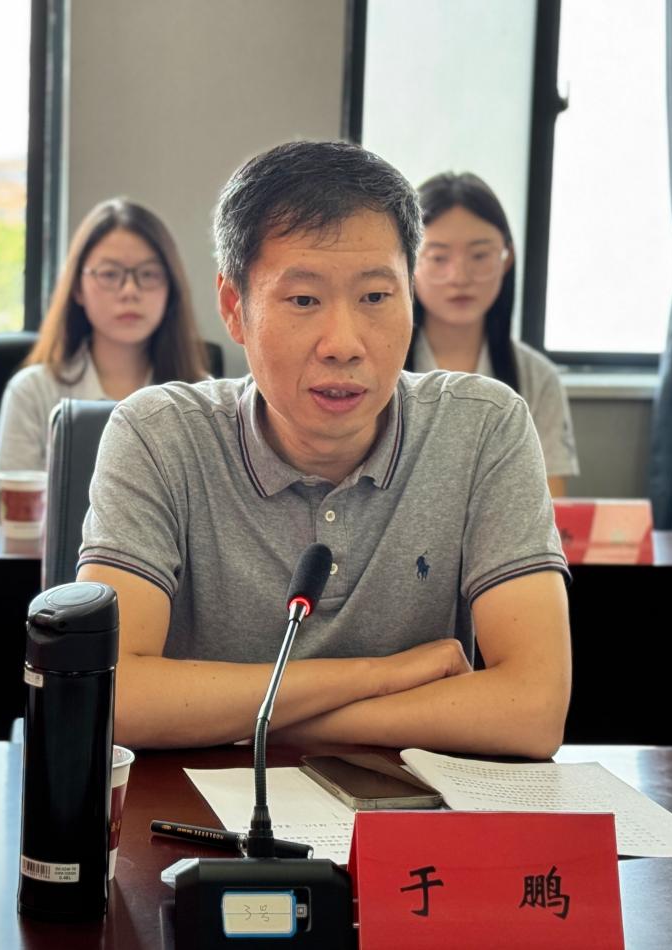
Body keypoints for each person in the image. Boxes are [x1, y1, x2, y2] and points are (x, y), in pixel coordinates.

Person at [77, 141, 570, 758]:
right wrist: (380, 676)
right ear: (234, 308)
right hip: (193, 811)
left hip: (407, 811)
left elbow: (533, 709)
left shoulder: (483, 427)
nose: (343, 344)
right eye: (304, 300)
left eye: (375, 297)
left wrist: (273, 722)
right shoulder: (157, 434)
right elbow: (115, 695)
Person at [0, 198, 208, 491]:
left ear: (170, 287)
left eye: (148, 274)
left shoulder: (201, 398)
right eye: (109, 274)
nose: (129, 291)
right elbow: (17, 509)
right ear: (77, 288)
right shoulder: (33, 391)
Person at [408, 172, 579, 496]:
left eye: (480, 255)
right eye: (439, 257)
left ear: (506, 258)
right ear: (408, 261)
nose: (460, 276)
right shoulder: (381, 367)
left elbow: (551, 505)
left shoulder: (537, 377)